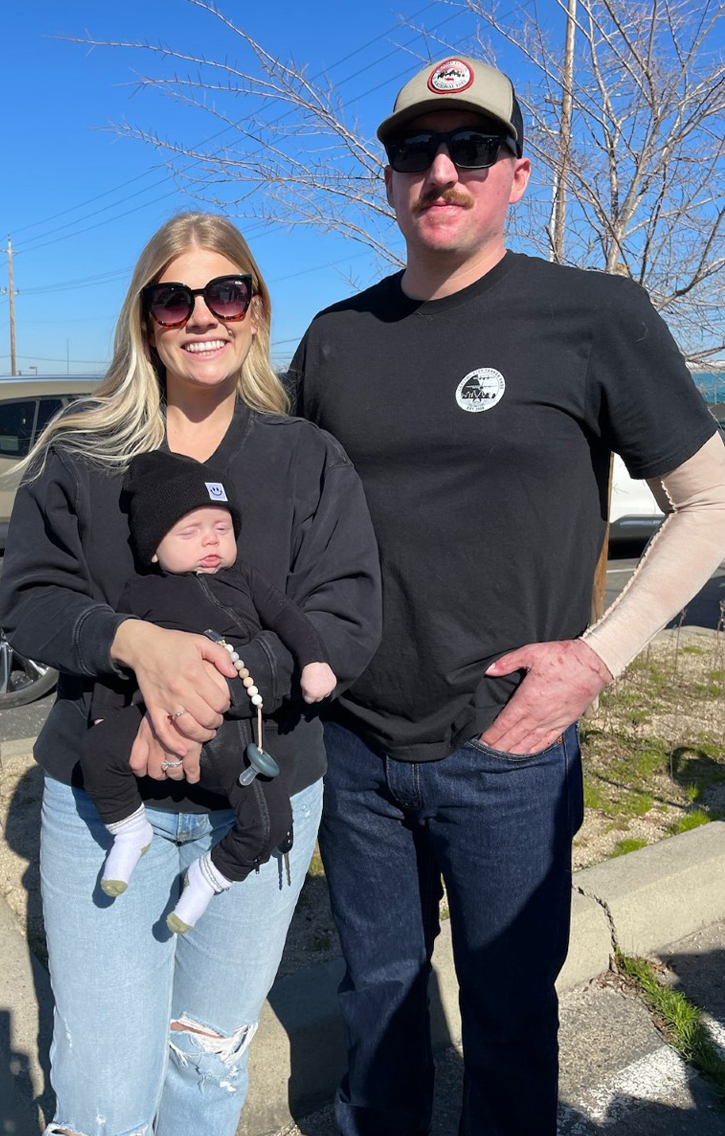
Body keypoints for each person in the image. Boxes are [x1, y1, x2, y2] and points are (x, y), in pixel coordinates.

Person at [290, 54, 725, 1136]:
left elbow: (707, 499)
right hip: (353, 739)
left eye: (471, 147)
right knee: (376, 993)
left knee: (507, 1013)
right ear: (387, 178)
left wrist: (599, 654)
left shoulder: (593, 315)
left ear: (515, 174)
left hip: (511, 750)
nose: (442, 170)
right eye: (415, 150)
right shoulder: (335, 335)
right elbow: (285, 515)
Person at [0, 211, 380, 1136]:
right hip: (102, 805)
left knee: (208, 1056)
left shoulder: (306, 457)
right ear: (145, 317)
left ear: (253, 311)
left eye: (225, 293)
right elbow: (30, 599)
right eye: (175, 297)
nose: (200, 315)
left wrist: (230, 671)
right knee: (102, 1081)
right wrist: (137, 643)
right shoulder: (79, 452)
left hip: (261, 797)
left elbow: (346, 614)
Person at [83, 448, 337, 933]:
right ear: (154, 548)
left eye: (222, 528)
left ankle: (210, 876)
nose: (210, 541)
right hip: (155, 721)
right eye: (190, 531)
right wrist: (104, 715)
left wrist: (314, 661)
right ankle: (127, 829)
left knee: (268, 824)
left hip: (240, 735)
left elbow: (289, 618)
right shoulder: (139, 593)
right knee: (96, 751)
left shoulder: (245, 579)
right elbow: (115, 668)